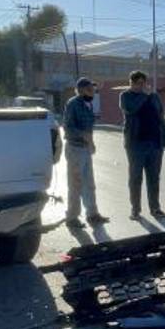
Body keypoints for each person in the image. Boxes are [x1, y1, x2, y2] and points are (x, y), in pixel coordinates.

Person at [120, 70, 165, 219]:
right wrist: (144, 95)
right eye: (138, 83)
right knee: (135, 178)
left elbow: (161, 116)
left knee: (154, 178)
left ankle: (155, 208)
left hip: (155, 143)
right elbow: (131, 109)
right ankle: (135, 210)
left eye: (143, 83)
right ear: (131, 83)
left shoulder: (154, 97)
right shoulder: (125, 96)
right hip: (136, 143)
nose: (141, 86)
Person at [63, 78, 109, 228]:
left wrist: (91, 143)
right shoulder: (73, 104)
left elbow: (88, 129)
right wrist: (84, 136)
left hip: (85, 148)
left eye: (93, 89)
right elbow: (68, 127)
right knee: (75, 184)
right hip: (75, 148)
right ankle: (72, 217)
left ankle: (92, 214)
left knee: (89, 183)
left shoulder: (87, 105)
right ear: (81, 90)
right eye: (90, 89)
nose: (93, 92)